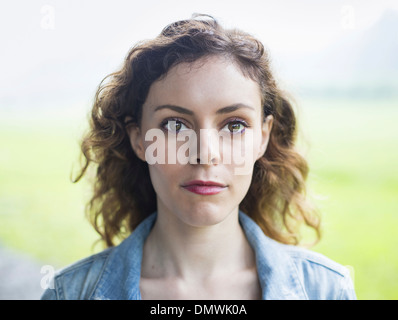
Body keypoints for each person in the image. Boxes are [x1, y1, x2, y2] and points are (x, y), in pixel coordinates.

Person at [41, 14, 356, 300]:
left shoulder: (327, 290)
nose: (205, 154)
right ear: (139, 139)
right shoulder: (67, 293)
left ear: (263, 137)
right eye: (175, 125)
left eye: (234, 125)